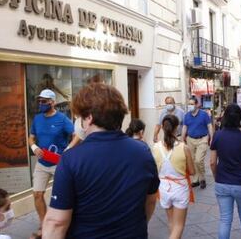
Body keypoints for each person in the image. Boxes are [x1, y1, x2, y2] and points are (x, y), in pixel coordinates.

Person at [42, 83, 160, 238]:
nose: (79, 122)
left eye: (80, 117)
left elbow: (57, 222)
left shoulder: (71, 160)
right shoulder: (143, 151)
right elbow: (150, 200)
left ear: (89, 118)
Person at [210, 104, 241, 239]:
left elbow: (212, 162)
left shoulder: (217, 135)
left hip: (222, 182)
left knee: (225, 219)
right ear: (239, 118)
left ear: (225, 117)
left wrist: (216, 176)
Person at [28, 89, 75, 234]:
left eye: (44, 101)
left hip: (58, 164)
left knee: (64, 195)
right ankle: (44, 224)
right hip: (42, 163)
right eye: (40, 101)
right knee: (37, 194)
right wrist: (34, 147)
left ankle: (69, 223)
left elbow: (76, 135)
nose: (41, 103)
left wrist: (67, 150)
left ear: (52, 102)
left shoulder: (62, 119)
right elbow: (31, 137)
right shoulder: (37, 119)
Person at [151, 114, 195, 239]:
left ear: (163, 128)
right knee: (179, 226)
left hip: (164, 188)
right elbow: (192, 171)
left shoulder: (155, 147)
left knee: (171, 223)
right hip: (180, 188)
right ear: (177, 128)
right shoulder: (183, 147)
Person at [181, 96, 213, 189]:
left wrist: (211, 138)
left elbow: (209, 126)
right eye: (189, 104)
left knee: (199, 160)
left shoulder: (204, 114)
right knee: (192, 160)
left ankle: (202, 179)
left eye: (192, 104)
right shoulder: (186, 116)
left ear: (196, 105)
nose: (190, 106)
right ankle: (196, 179)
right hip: (190, 139)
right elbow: (184, 127)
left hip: (202, 138)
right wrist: (182, 139)